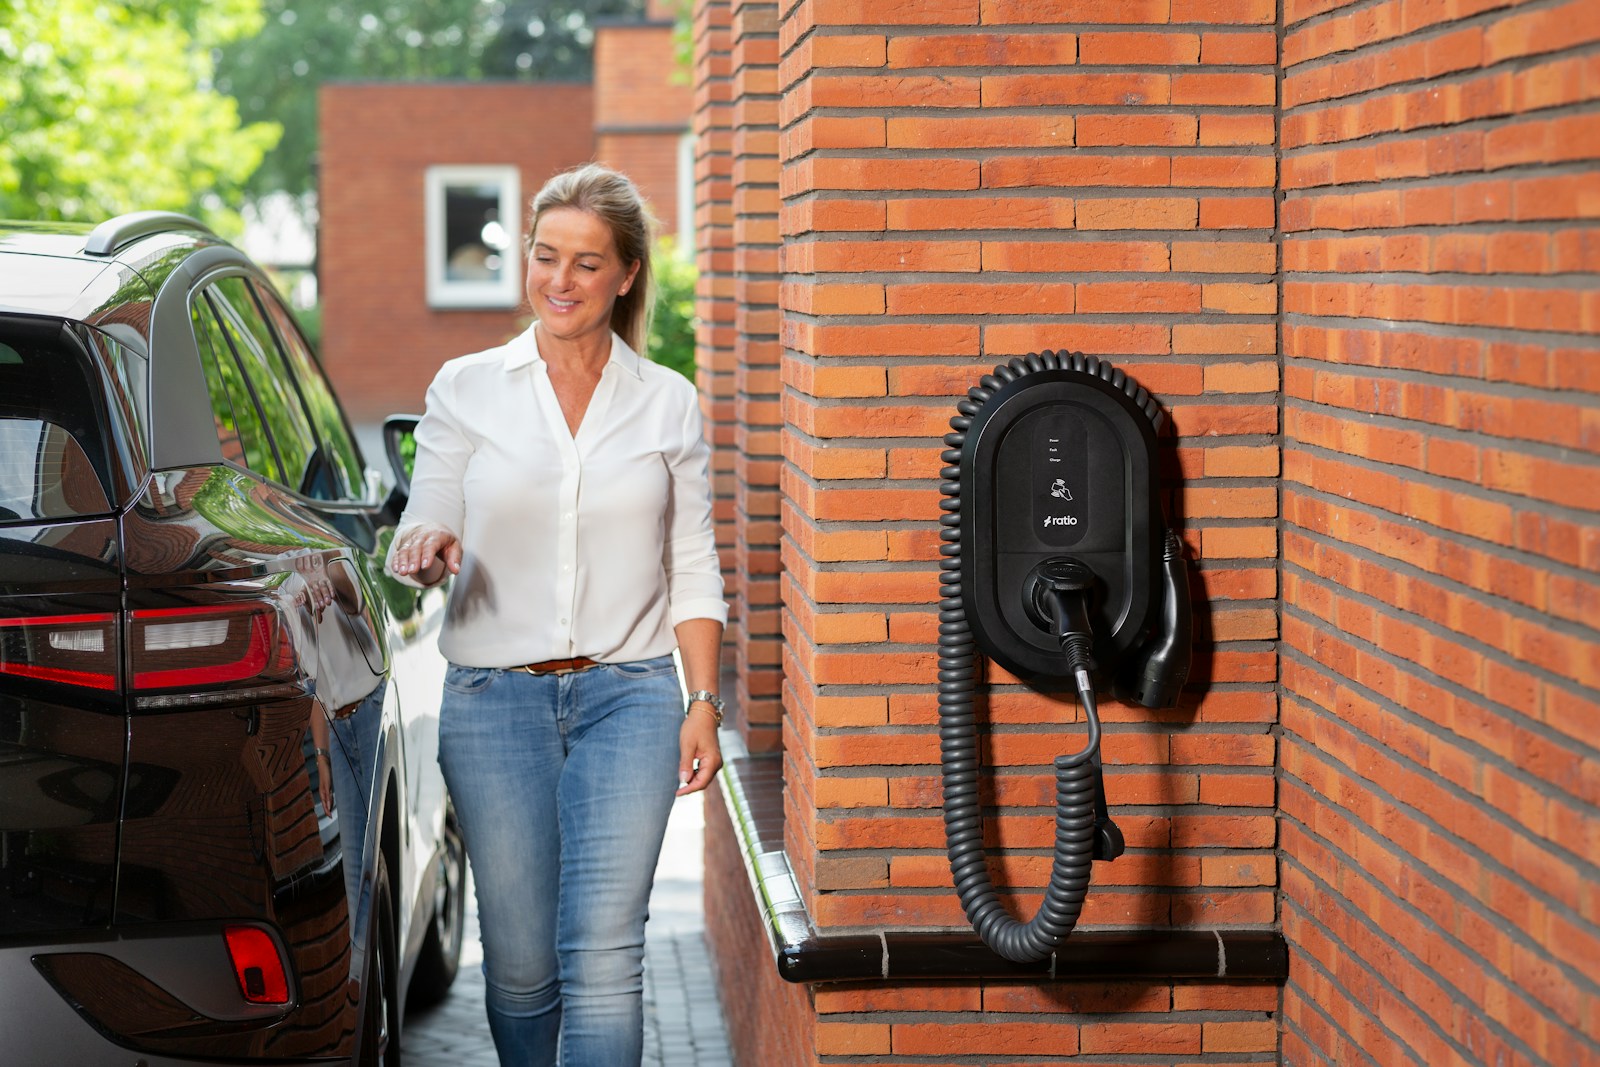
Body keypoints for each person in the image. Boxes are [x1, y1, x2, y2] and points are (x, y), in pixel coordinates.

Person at [385, 163, 726, 1066]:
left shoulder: (668, 402)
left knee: (607, 956)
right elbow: (428, 516)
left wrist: (704, 703)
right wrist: (423, 549)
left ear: (625, 274)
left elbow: (693, 563)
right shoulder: (466, 386)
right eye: (545, 257)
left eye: (585, 263)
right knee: (524, 967)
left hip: (634, 697)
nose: (560, 281)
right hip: (495, 702)